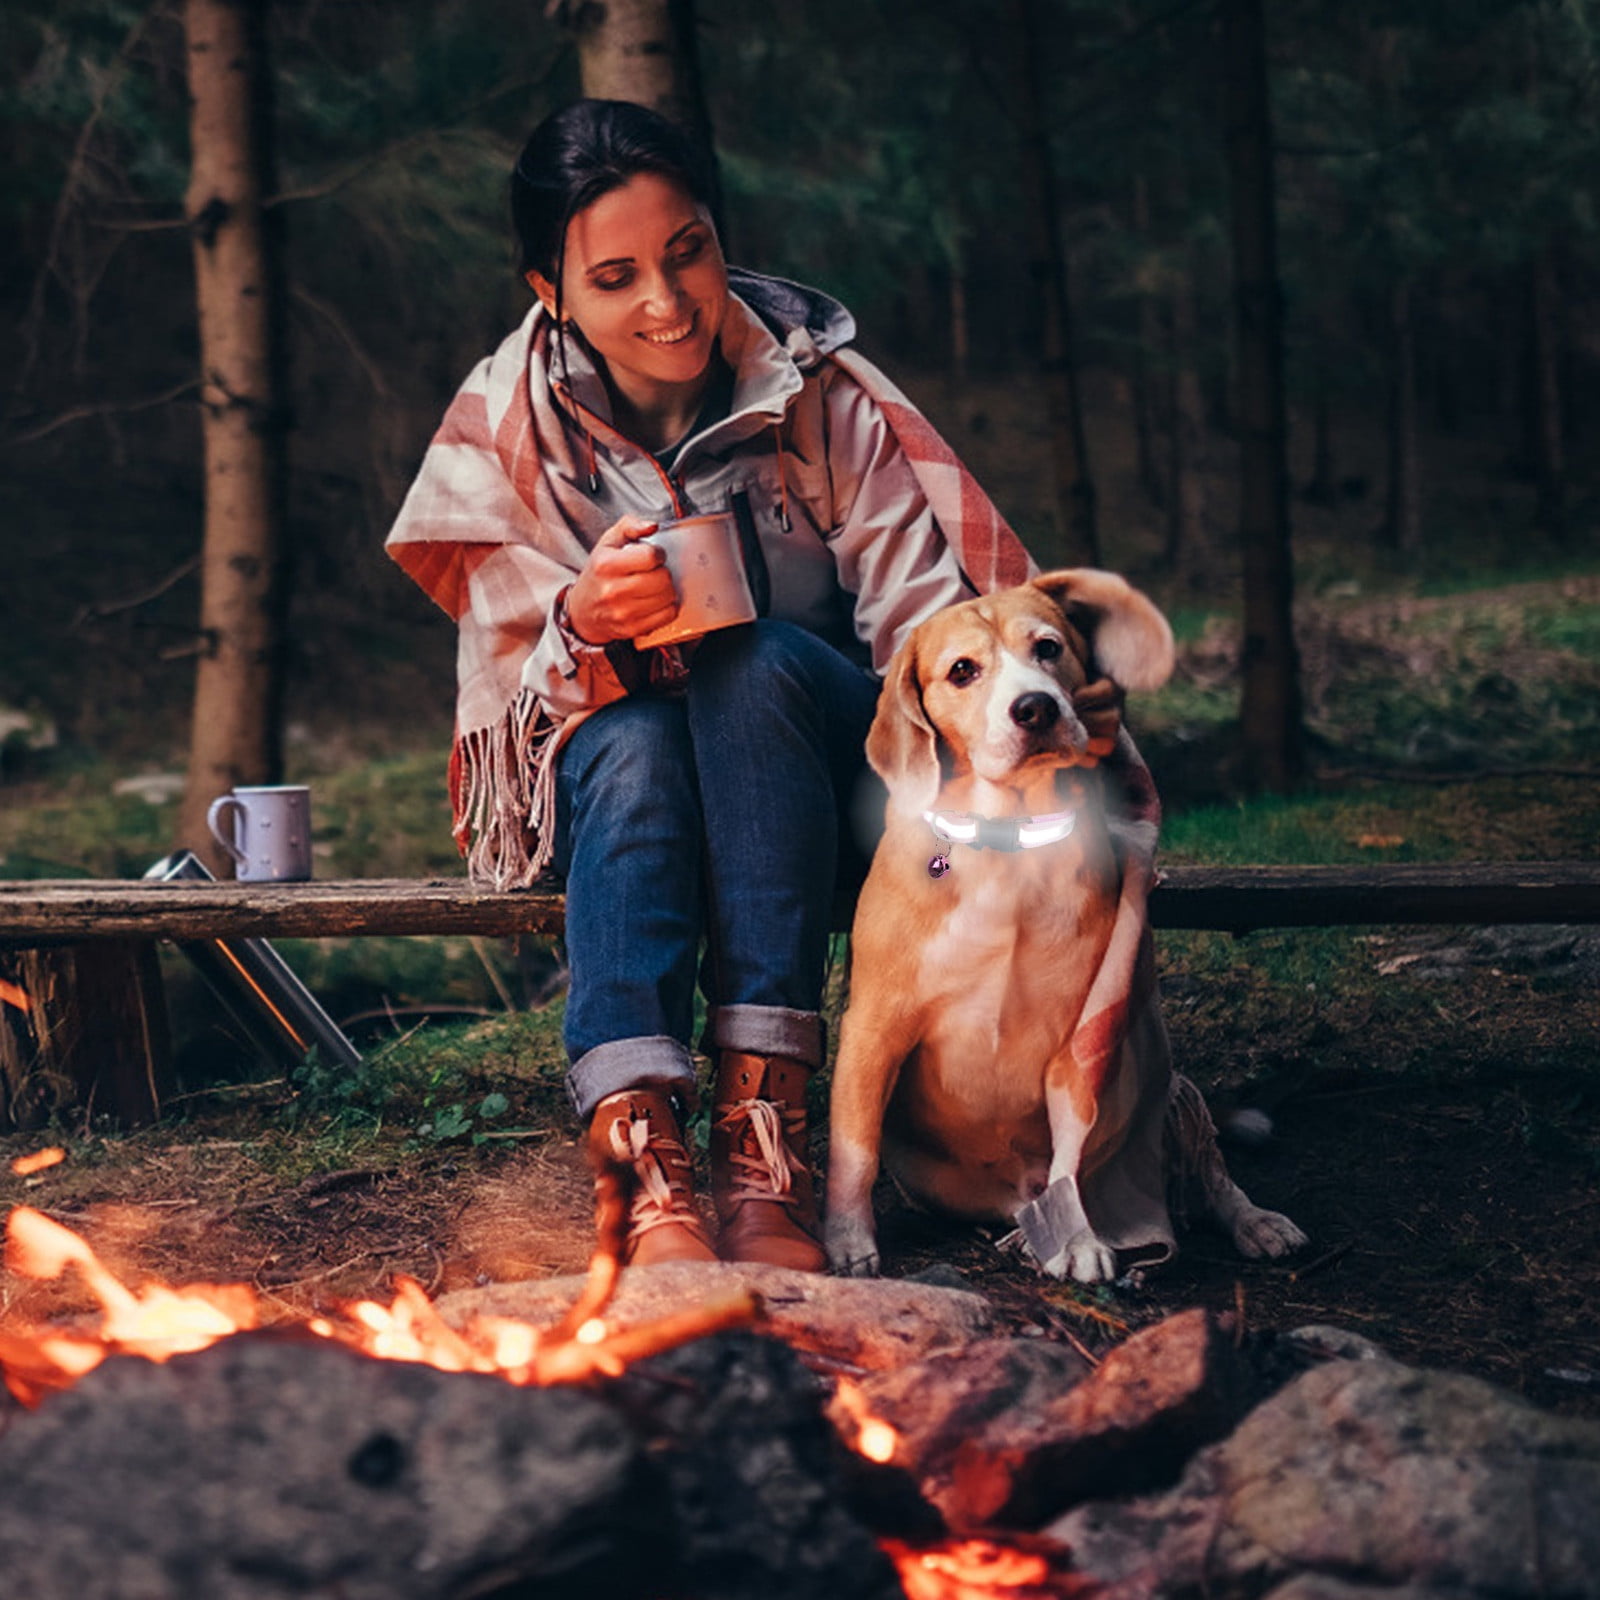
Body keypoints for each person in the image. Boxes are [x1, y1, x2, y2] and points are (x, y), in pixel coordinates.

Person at [387, 98, 1032, 1270]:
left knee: (757, 659)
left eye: (687, 252)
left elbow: (932, 645)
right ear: (550, 293)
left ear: (718, 233)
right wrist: (582, 622)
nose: (667, 303)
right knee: (632, 741)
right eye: (616, 275)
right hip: (631, 805)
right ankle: (638, 1154)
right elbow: (522, 724)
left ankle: (764, 1131)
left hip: (837, 794)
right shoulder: (505, 431)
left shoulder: (821, 398)